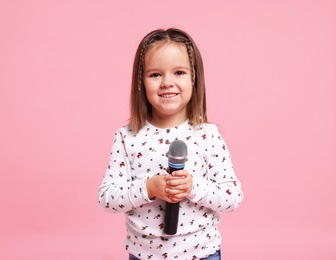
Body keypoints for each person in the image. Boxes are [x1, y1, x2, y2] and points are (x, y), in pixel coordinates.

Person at [98, 28, 243, 260]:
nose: (167, 82)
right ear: (140, 82)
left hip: (202, 254)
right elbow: (107, 198)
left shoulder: (207, 135)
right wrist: (149, 188)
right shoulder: (127, 137)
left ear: (194, 78)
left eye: (179, 72)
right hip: (144, 255)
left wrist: (193, 187)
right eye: (155, 74)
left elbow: (232, 197)